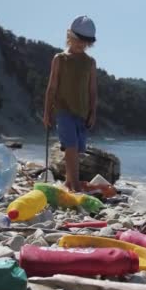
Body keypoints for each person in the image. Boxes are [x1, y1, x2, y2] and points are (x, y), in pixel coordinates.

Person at [43, 16, 97, 192]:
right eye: (78, 40)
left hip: (81, 112)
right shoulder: (60, 59)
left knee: (78, 149)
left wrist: (92, 112)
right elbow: (51, 87)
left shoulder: (90, 63)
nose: (81, 44)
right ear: (69, 36)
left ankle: (68, 181)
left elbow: (92, 90)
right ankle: (75, 185)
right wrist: (46, 112)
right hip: (63, 109)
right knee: (71, 147)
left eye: (85, 42)